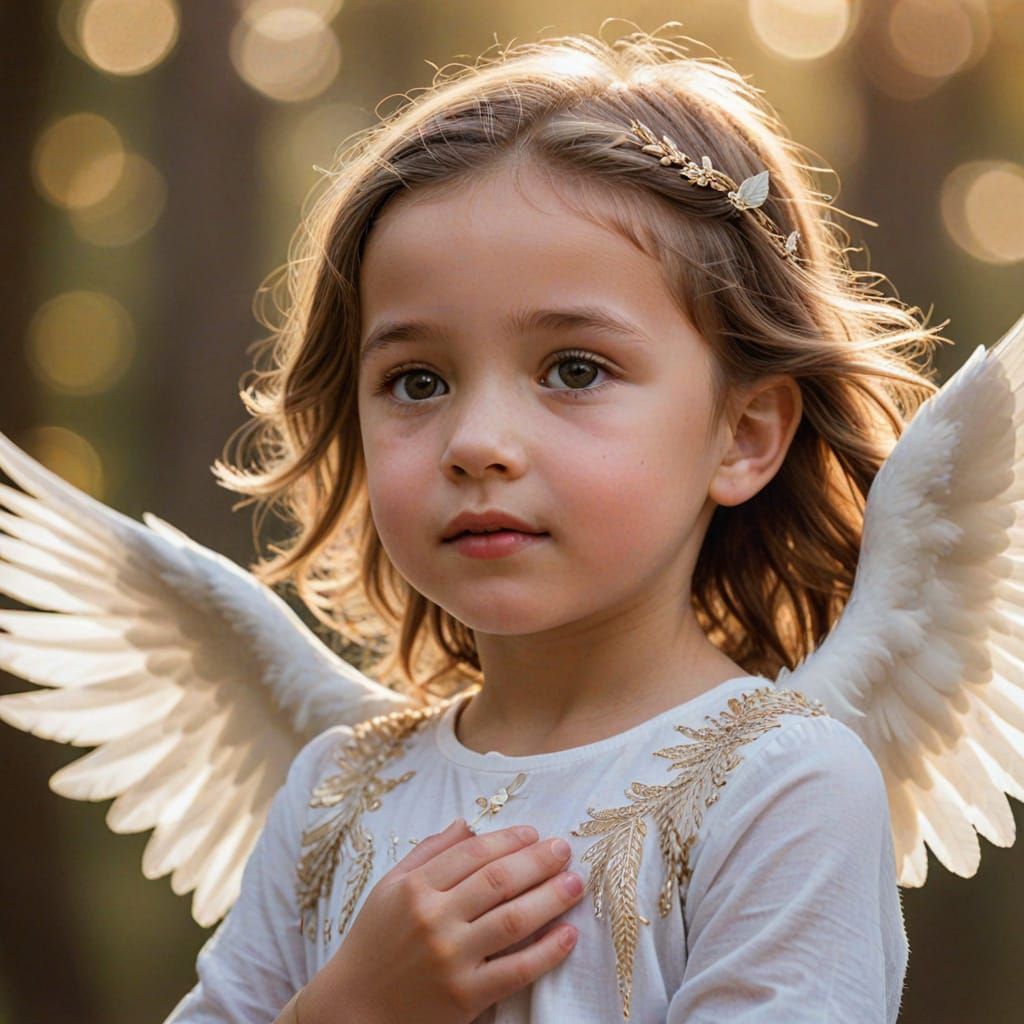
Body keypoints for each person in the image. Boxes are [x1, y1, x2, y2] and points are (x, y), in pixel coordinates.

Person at [165, 27, 934, 1024]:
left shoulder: (784, 785)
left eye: (574, 369)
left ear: (743, 436)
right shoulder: (333, 789)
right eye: (418, 380)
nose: (475, 441)